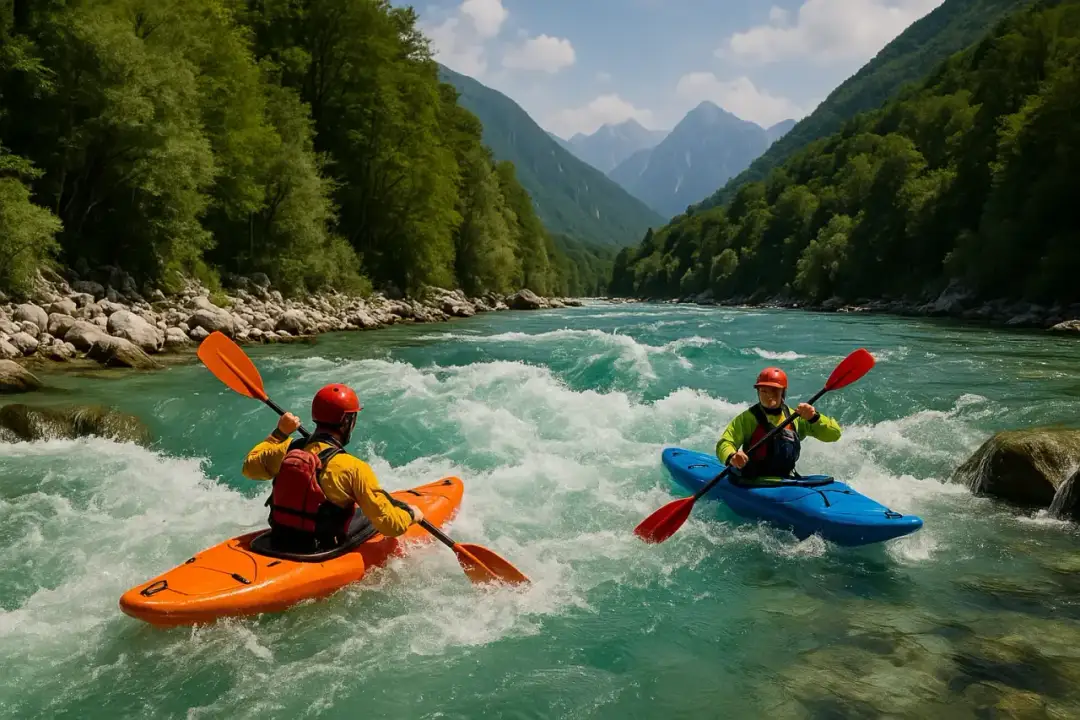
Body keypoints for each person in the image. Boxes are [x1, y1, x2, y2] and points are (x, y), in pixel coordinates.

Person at [242, 383, 422, 552]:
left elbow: (249, 468)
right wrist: (412, 515)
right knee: (369, 518)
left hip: (281, 538)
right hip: (320, 547)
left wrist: (279, 433)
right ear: (347, 421)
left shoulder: (288, 449)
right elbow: (390, 526)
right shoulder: (353, 467)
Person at [716, 366, 842, 482]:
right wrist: (732, 456)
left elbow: (834, 435)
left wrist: (814, 418)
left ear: (783, 392)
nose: (769, 395)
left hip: (785, 480)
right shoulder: (747, 419)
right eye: (764, 391)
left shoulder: (796, 417)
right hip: (752, 480)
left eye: (775, 390)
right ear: (758, 392)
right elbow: (725, 443)